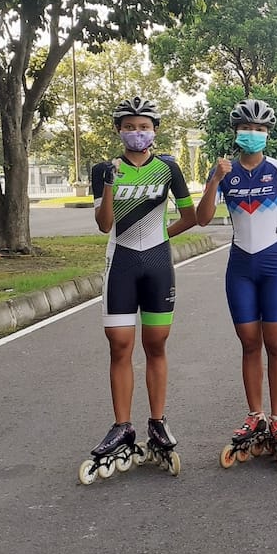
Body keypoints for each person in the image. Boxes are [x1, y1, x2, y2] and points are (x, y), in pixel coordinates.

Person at [87, 96, 196, 465]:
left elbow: (191, 215)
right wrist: (106, 185)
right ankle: (122, 425)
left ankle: (157, 422)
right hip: (121, 262)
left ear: (154, 130)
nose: (137, 132)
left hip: (157, 262)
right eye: (130, 126)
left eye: (144, 126)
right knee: (119, 345)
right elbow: (103, 224)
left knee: (156, 345)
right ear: (119, 130)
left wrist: (164, 234)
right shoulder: (105, 168)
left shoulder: (168, 168)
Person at [196, 97, 277, 451]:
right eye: (247, 128)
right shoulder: (225, 171)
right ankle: (254, 414)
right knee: (248, 344)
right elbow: (202, 217)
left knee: (276, 344)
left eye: (260, 129)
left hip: (274, 264)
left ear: (267, 133)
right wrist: (215, 178)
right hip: (240, 265)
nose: (253, 134)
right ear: (236, 133)